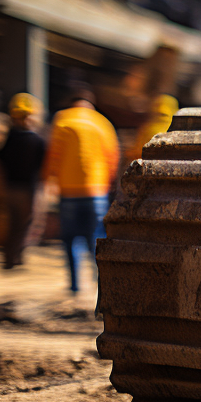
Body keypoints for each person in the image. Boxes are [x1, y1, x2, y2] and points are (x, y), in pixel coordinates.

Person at [42, 88, 119, 294]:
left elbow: (54, 153)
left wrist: (48, 179)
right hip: (96, 191)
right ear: (90, 104)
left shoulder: (62, 119)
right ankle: (101, 284)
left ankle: (75, 286)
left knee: (70, 239)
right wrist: (108, 183)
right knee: (96, 239)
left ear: (72, 103)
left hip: (68, 191)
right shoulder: (102, 122)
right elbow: (112, 156)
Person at [0, 93, 47, 269]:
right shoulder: (37, 140)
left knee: (14, 224)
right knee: (24, 224)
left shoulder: (10, 138)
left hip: (12, 187)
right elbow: (43, 165)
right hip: (26, 189)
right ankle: (16, 256)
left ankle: (11, 257)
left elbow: (1, 158)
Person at [126, 94, 177, 165]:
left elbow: (137, 152)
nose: (161, 109)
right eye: (158, 106)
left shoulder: (146, 129)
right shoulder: (146, 130)